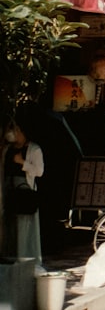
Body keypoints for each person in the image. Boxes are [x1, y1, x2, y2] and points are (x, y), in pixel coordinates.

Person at [1, 109, 45, 265]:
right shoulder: (7, 149)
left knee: (24, 228)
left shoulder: (34, 149)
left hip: (24, 192)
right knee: (9, 225)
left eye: (17, 130)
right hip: (8, 189)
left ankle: (26, 258)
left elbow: (39, 171)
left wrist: (22, 163)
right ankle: (10, 255)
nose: (14, 133)